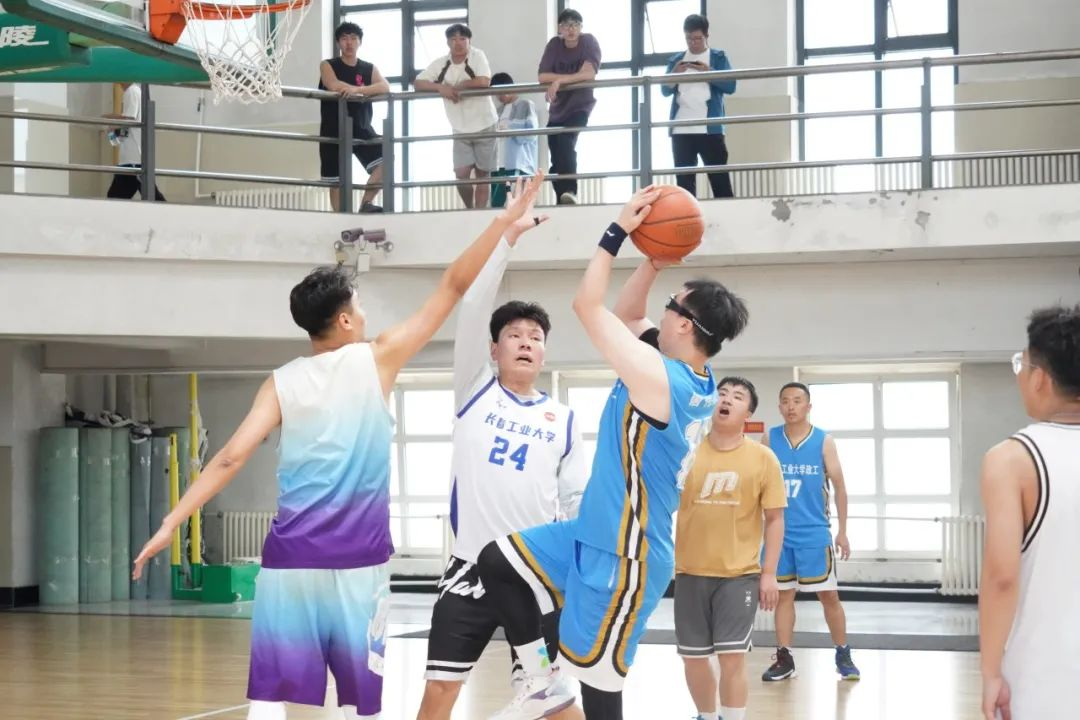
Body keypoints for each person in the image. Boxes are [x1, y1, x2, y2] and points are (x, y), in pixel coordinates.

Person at [131, 175, 547, 720]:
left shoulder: (280, 381)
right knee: (357, 697)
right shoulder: (378, 357)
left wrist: (171, 521)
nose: (366, 314)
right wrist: (502, 225)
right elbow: (451, 285)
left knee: (292, 700)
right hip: (357, 563)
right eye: (361, 305)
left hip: (289, 564)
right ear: (346, 319)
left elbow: (229, 457)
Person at [476, 186, 750, 720]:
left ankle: (551, 681)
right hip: (592, 531)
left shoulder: (662, 379)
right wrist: (654, 261)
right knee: (498, 561)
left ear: (684, 324)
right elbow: (627, 313)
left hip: (628, 554)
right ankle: (539, 679)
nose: (661, 312)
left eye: (671, 305)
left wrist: (617, 232)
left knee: (600, 689)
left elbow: (588, 306)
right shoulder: (680, 368)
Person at [415, 196, 588, 720]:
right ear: (494, 350)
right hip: (469, 570)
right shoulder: (475, 390)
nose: (526, 342)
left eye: (536, 337)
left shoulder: (564, 419)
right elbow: (472, 305)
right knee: (440, 690)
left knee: (552, 699)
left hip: (534, 575)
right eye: (514, 335)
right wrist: (506, 237)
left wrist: (580, 570)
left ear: (545, 352)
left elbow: (575, 501)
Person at [979, 305, 1080, 720]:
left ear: (1040, 377)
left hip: (1046, 673)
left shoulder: (1012, 459)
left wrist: (990, 672)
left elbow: (1002, 577)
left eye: (1021, 365)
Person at [675, 377, 785, 720]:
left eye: (737, 397)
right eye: (721, 393)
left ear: (748, 412)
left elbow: (775, 519)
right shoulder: (687, 452)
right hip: (689, 572)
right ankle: (707, 716)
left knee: (732, 657)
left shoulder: (763, 458)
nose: (726, 399)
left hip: (739, 576)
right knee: (693, 657)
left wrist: (769, 574)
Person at [760, 382, 860, 682]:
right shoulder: (769, 438)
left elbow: (840, 487)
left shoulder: (823, 441)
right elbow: (758, 486)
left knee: (828, 595)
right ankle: (784, 657)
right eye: (785, 401)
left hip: (814, 532)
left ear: (808, 406)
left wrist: (843, 531)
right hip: (779, 533)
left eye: (797, 400)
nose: (791, 406)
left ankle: (843, 653)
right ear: (779, 406)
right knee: (783, 596)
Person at [415, 24, 498, 209]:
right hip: (460, 127)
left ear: (469, 41)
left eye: (462, 39)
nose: (458, 43)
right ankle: (469, 209)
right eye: (453, 39)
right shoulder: (441, 63)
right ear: (447, 42)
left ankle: (479, 213)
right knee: (461, 173)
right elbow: (418, 83)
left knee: (483, 174)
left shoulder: (477, 56)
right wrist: (440, 87)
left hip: (485, 123)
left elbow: (484, 81)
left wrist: (460, 86)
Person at [660, 14, 736, 199]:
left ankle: (728, 214)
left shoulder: (718, 57)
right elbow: (664, 90)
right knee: (685, 186)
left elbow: (731, 86)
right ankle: (688, 217)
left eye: (697, 38)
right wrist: (674, 74)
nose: (693, 43)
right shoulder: (677, 60)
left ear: (706, 36)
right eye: (688, 39)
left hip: (710, 129)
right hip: (681, 129)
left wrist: (708, 72)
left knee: (720, 182)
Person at [318, 22, 390, 213]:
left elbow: (384, 86)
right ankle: (341, 218)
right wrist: (360, 89)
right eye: (344, 38)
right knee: (336, 181)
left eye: (353, 38)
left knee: (386, 161)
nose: (349, 43)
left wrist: (357, 90)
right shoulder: (328, 65)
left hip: (361, 127)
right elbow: (333, 84)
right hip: (333, 128)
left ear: (360, 42)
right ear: (338, 43)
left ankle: (366, 204)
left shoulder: (368, 68)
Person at [538, 8, 601, 205]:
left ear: (581, 27)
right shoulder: (554, 45)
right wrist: (566, 79)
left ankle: (570, 191)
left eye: (575, 25)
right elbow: (542, 77)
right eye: (566, 25)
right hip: (557, 110)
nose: (571, 29)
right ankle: (562, 198)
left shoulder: (588, 42)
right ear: (560, 28)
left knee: (566, 141)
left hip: (580, 106)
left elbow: (588, 74)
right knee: (556, 154)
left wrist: (558, 81)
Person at [104, 83, 166, 202]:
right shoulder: (133, 92)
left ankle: (169, 211)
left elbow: (129, 119)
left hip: (133, 161)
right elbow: (125, 128)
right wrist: (112, 130)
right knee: (151, 196)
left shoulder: (131, 91)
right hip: (131, 160)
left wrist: (111, 119)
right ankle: (168, 211)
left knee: (115, 198)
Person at [489, 72, 539, 209]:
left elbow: (531, 134)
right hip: (498, 164)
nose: (499, 96)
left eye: (501, 92)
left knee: (517, 204)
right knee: (496, 204)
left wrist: (509, 127)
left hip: (518, 163)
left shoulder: (526, 105)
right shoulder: (497, 111)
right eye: (496, 93)